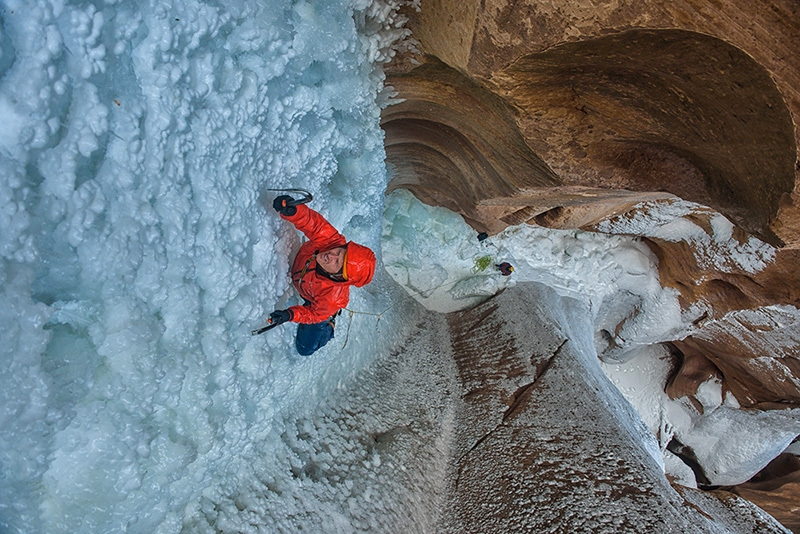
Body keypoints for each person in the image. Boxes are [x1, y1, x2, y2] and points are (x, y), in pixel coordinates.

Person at [269, 195, 376, 355]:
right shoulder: (332, 242)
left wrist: (290, 314)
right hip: (308, 287)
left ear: (339, 277)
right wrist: (294, 211)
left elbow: (313, 314)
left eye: (337, 263)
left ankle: (329, 327)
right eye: (339, 252)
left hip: (315, 301)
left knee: (305, 348)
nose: (331, 255)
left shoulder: (330, 298)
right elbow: (315, 225)